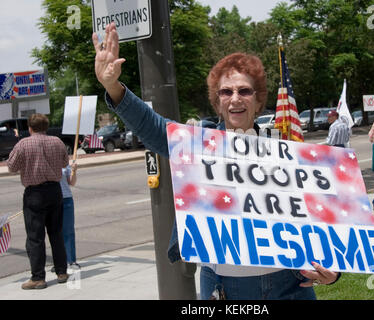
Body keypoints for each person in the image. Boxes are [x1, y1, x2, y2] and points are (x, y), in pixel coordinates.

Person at [92, 22, 340, 300]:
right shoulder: (198, 145)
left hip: (289, 285)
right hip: (223, 287)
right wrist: (113, 86)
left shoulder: (286, 150)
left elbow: (324, 221)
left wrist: (334, 271)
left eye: (244, 91)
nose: (235, 99)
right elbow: (152, 127)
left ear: (258, 101)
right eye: (226, 92)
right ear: (217, 100)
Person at [7, 113, 69, 290]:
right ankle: (61, 271)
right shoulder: (57, 141)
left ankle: (38, 277)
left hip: (34, 193)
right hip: (55, 191)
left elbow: (11, 166)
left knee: (35, 237)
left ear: (30, 128)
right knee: (56, 233)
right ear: (46, 126)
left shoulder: (23, 144)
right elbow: (65, 163)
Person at [60, 163, 80, 269]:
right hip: (51, 200)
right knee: (55, 233)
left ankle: (71, 261)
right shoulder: (44, 161)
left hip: (66, 199)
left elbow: (71, 182)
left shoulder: (64, 162)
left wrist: (74, 171)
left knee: (68, 231)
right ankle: (59, 262)